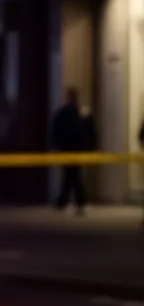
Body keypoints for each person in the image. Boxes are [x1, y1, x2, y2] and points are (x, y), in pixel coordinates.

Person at [51, 87, 95, 215]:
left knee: (71, 175)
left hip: (73, 149)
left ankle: (66, 200)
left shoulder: (77, 113)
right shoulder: (75, 113)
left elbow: (89, 130)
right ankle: (74, 200)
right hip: (71, 149)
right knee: (73, 175)